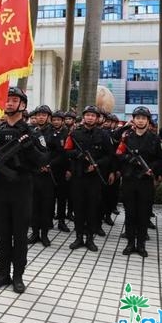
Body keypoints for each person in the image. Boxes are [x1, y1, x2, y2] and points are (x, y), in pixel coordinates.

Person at [0, 87, 48, 293]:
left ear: (23, 105)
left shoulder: (32, 132)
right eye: (7, 100)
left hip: (22, 189)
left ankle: (18, 276)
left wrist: (29, 148)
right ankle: (3, 274)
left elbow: (44, 160)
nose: (9, 103)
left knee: (19, 235)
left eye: (14, 100)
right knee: (3, 233)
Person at [115, 106, 162, 257]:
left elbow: (161, 159)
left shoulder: (154, 138)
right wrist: (129, 159)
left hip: (145, 181)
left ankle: (141, 244)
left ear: (148, 121)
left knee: (143, 214)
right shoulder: (126, 137)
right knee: (130, 213)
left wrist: (153, 170)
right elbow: (118, 154)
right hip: (130, 179)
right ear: (133, 120)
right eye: (138, 118)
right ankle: (130, 243)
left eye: (144, 118)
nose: (141, 121)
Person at [65, 105, 114, 252]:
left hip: (95, 178)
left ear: (97, 118)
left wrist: (97, 164)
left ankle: (90, 239)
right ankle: (79, 237)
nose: (90, 118)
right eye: (88, 115)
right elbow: (67, 151)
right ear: (84, 117)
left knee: (93, 208)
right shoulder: (74, 133)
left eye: (93, 115)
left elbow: (110, 155)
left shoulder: (104, 135)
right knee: (79, 208)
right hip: (78, 176)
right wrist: (79, 156)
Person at [28, 105, 55, 247]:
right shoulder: (30, 131)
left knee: (46, 206)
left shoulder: (53, 132)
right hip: (34, 174)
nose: (41, 117)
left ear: (48, 117)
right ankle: (34, 233)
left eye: (44, 115)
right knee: (34, 205)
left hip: (48, 175)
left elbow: (59, 153)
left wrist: (49, 165)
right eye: (38, 115)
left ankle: (44, 235)